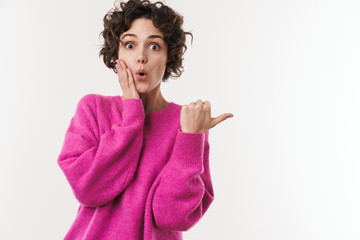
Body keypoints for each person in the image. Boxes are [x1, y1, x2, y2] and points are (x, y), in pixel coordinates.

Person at [57, 0, 234, 239]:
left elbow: (171, 217)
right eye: (130, 45)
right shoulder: (93, 108)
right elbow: (87, 188)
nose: (141, 57)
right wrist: (132, 113)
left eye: (154, 46)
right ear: (115, 55)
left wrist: (190, 139)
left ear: (169, 57)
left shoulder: (187, 123)